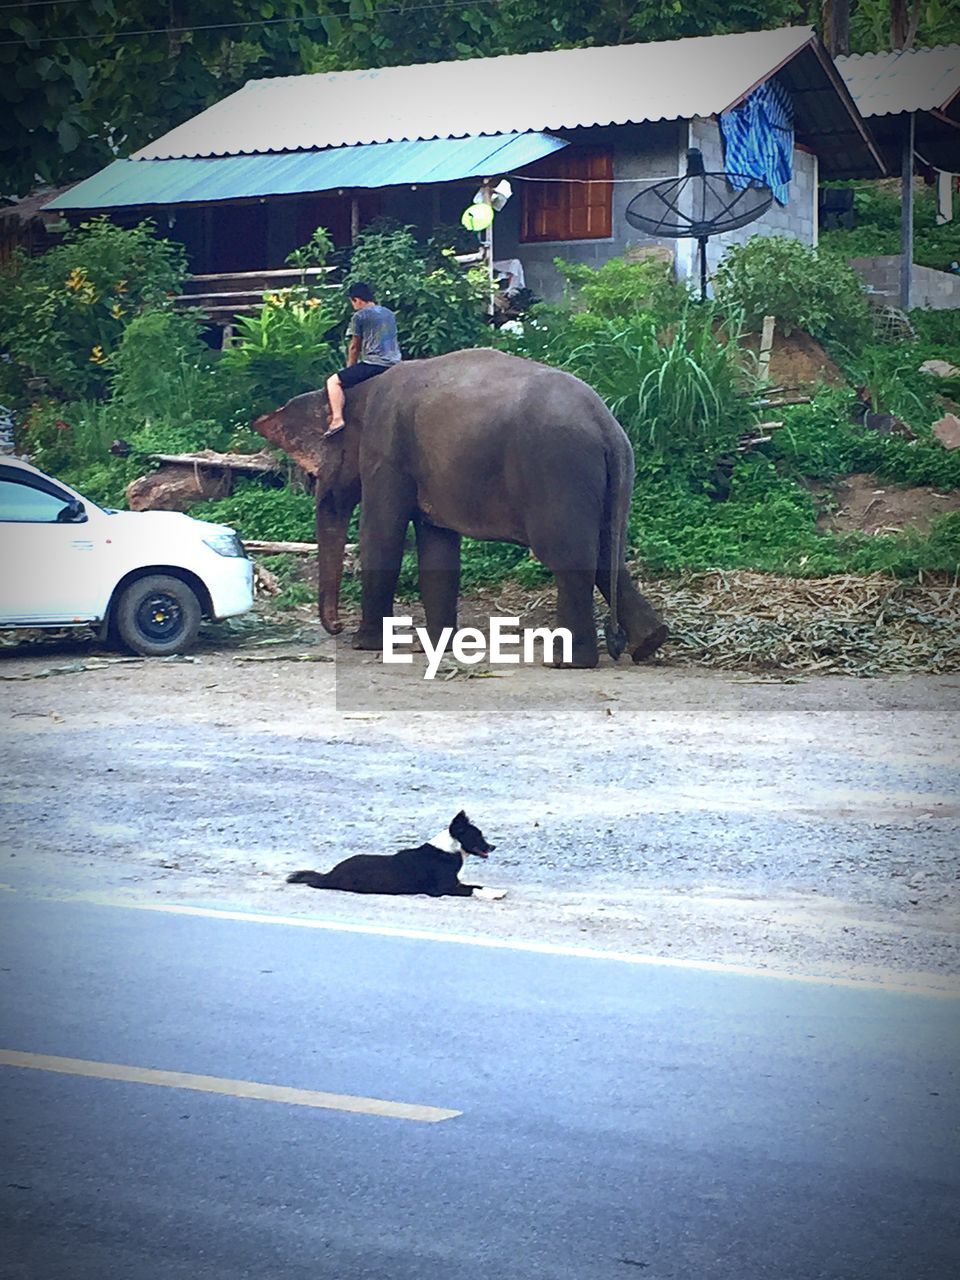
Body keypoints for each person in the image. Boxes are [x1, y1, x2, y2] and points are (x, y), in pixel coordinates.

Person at [323, 282, 401, 436]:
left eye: (352, 302)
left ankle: (337, 419)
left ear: (356, 300)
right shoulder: (389, 313)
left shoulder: (359, 316)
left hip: (375, 363)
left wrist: (349, 368)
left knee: (333, 381)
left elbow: (354, 346)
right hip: (395, 362)